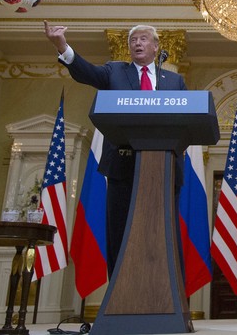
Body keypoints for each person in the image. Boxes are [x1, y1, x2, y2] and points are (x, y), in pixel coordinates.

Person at [44, 20, 187, 277]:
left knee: (163, 233)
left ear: (156, 47)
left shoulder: (175, 81)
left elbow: (186, 121)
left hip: (164, 169)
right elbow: (86, 72)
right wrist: (62, 45)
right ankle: (118, 298)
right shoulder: (115, 72)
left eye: (143, 39)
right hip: (123, 167)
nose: (137, 43)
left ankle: (169, 297)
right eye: (133, 40)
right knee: (120, 232)